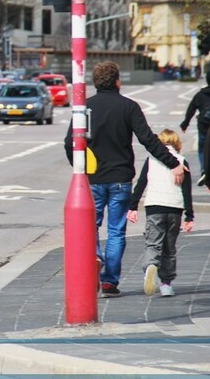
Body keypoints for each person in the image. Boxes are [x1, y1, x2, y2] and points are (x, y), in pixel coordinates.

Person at [64, 61, 186, 298]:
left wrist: (80, 168)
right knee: (116, 231)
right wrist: (174, 163)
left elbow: (70, 142)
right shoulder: (129, 107)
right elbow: (148, 140)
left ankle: (96, 256)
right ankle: (109, 281)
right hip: (121, 178)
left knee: (91, 226)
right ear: (117, 81)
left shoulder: (86, 108)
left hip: (93, 177)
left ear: (96, 82)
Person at [127, 129, 193, 298]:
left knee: (153, 244)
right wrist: (189, 216)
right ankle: (166, 284)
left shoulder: (151, 160)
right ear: (177, 143)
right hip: (174, 209)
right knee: (169, 248)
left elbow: (141, 184)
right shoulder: (181, 161)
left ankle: (150, 266)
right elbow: (187, 191)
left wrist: (133, 207)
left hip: (154, 206)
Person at [180, 71, 210, 186]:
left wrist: (185, 124)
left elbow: (191, 109)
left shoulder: (200, 95)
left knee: (202, 148)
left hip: (203, 125)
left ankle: (204, 169)